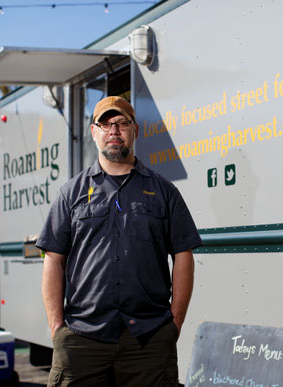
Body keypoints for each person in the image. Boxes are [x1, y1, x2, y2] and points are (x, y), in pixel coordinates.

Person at [37, 96, 202, 387]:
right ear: (94, 132)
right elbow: (53, 258)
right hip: (82, 337)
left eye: (122, 123)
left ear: (134, 130)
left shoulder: (164, 192)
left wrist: (174, 322)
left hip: (149, 339)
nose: (114, 130)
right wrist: (56, 327)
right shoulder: (71, 193)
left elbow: (183, 254)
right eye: (106, 123)